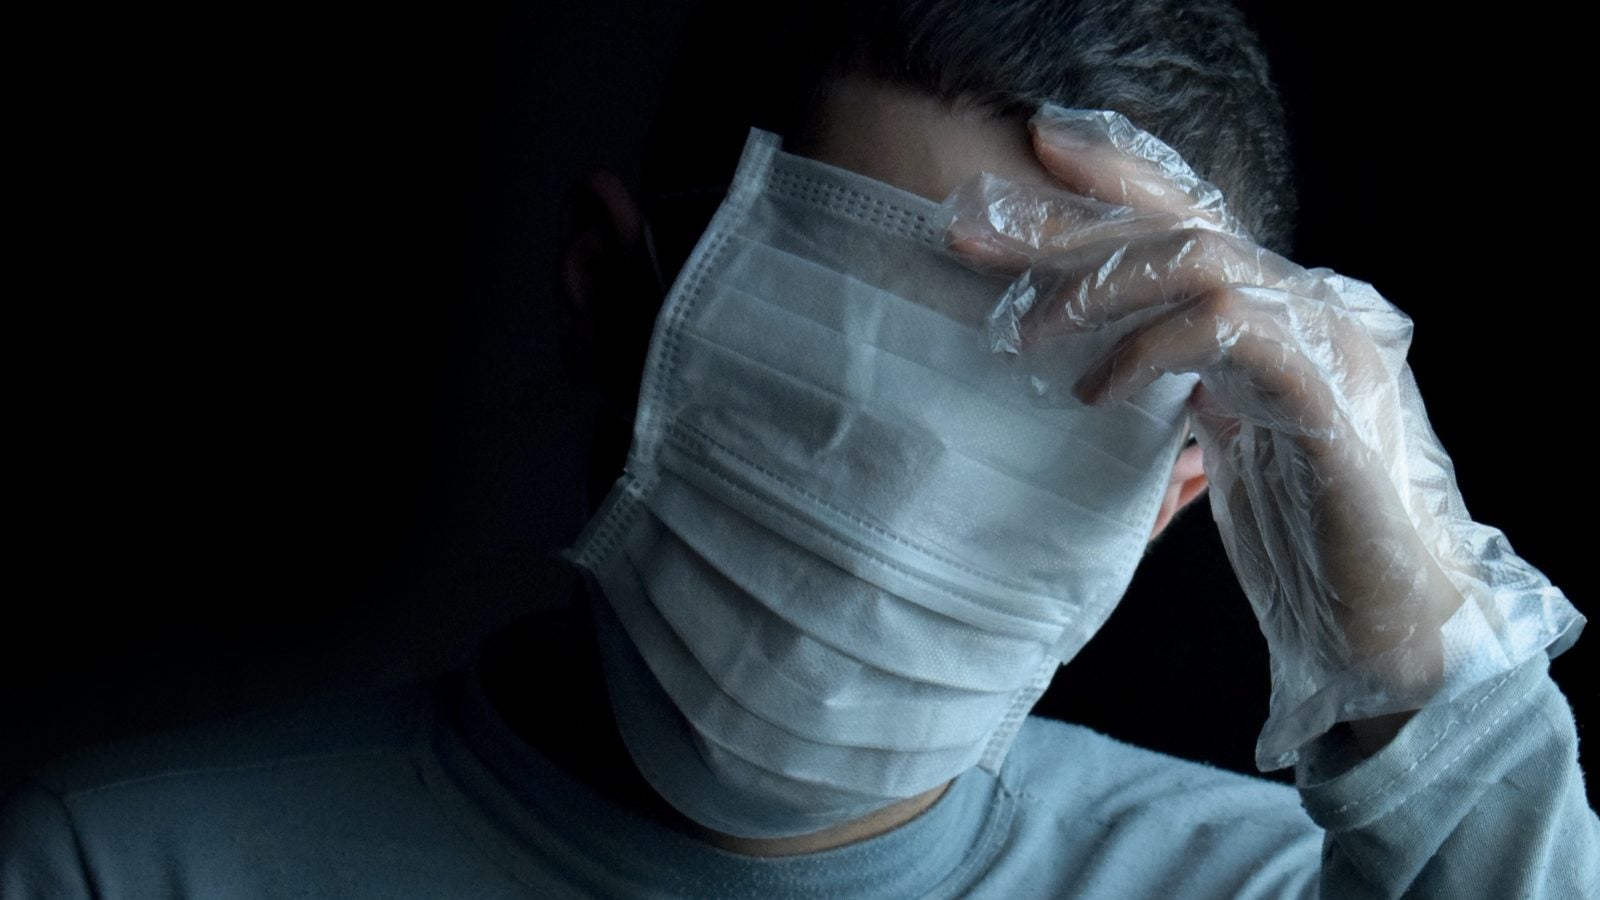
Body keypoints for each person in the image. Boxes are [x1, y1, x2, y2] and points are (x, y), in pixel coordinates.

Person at [3, 1, 1595, 897]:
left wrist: (1434, 663)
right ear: (607, 304)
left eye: (1022, 426)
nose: (894, 500)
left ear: (1189, 490)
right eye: (826, 366)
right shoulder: (125, 871)